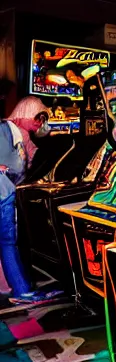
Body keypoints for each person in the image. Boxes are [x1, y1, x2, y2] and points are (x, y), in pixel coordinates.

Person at [0, 96, 57, 304]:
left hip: (7, 192)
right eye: (37, 117)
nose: (39, 123)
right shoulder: (9, 129)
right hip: (4, 193)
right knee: (8, 242)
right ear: (25, 112)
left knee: (7, 243)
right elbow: (17, 168)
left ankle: (17, 288)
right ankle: (21, 290)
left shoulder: (17, 132)